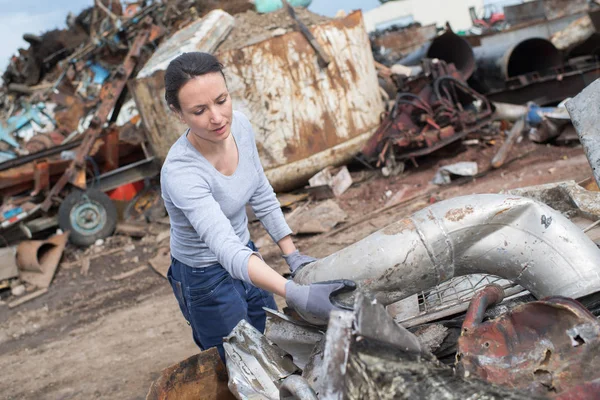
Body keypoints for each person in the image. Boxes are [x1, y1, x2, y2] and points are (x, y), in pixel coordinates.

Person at [160, 52, 354, 360]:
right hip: (205, 275)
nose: (217, 117)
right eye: (199, 110)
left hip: (245, 254)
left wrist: (293, 256)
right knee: (242, 363)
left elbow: (260, 189)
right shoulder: (181, 172)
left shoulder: (241, 127)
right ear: (178, 113)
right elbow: (223, 247)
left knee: (272, 343)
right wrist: (296, 293)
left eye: (221, 100)